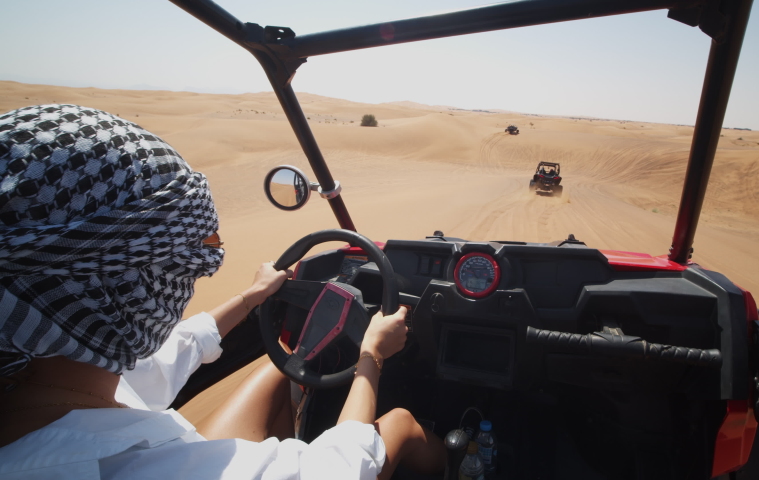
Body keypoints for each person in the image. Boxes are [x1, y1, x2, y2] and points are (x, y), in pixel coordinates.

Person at [0, 105, 445, 479]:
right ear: (126, 290)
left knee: (284, 367)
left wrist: (252, 297)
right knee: (400, 423)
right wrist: (372, 355)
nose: (203, 271)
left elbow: (171, 353)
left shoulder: (57, 370)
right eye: (186, 265)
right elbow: (342, 468)